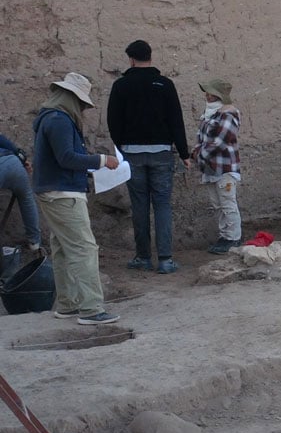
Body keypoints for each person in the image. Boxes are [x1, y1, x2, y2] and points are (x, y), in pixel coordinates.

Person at [31, 72, 121, 325]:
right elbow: (67, 158)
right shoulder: (59, 120)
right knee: (83, 248)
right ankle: (91, 308)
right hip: (63, 194)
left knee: (62, 248)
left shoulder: (49, 118)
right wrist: (103, 160)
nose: (82, 109)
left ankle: (67, 304)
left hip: (53, 190)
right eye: (81, 104)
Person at [107, 40, 190, 274]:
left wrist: (121, 147)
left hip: (132, 154)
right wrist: (184, 153)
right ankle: (165, 259)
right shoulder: (165, 84)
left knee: (139, 205)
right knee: (162, 204)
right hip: (162, 153)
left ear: (131, 60)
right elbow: (176, 121)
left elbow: (113, 121)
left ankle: (143, 257)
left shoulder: (121, 86)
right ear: (150, 57)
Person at [194, 79, 243, 254]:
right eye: (207, 92)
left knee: (227, 203)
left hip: (225, 167)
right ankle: (225, 236)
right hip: (210, 167)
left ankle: (233, 238)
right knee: (217, 204)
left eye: (212, 93)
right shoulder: (210, 114)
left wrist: (199, 154)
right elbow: (202, 139)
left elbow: (221, 141)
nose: (208, 96)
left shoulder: (228, 115)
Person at [0, 133, 40, 252]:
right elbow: (6, 143)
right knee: (26, 198)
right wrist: (23, 160)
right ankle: (35, 242)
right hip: (13, 163)